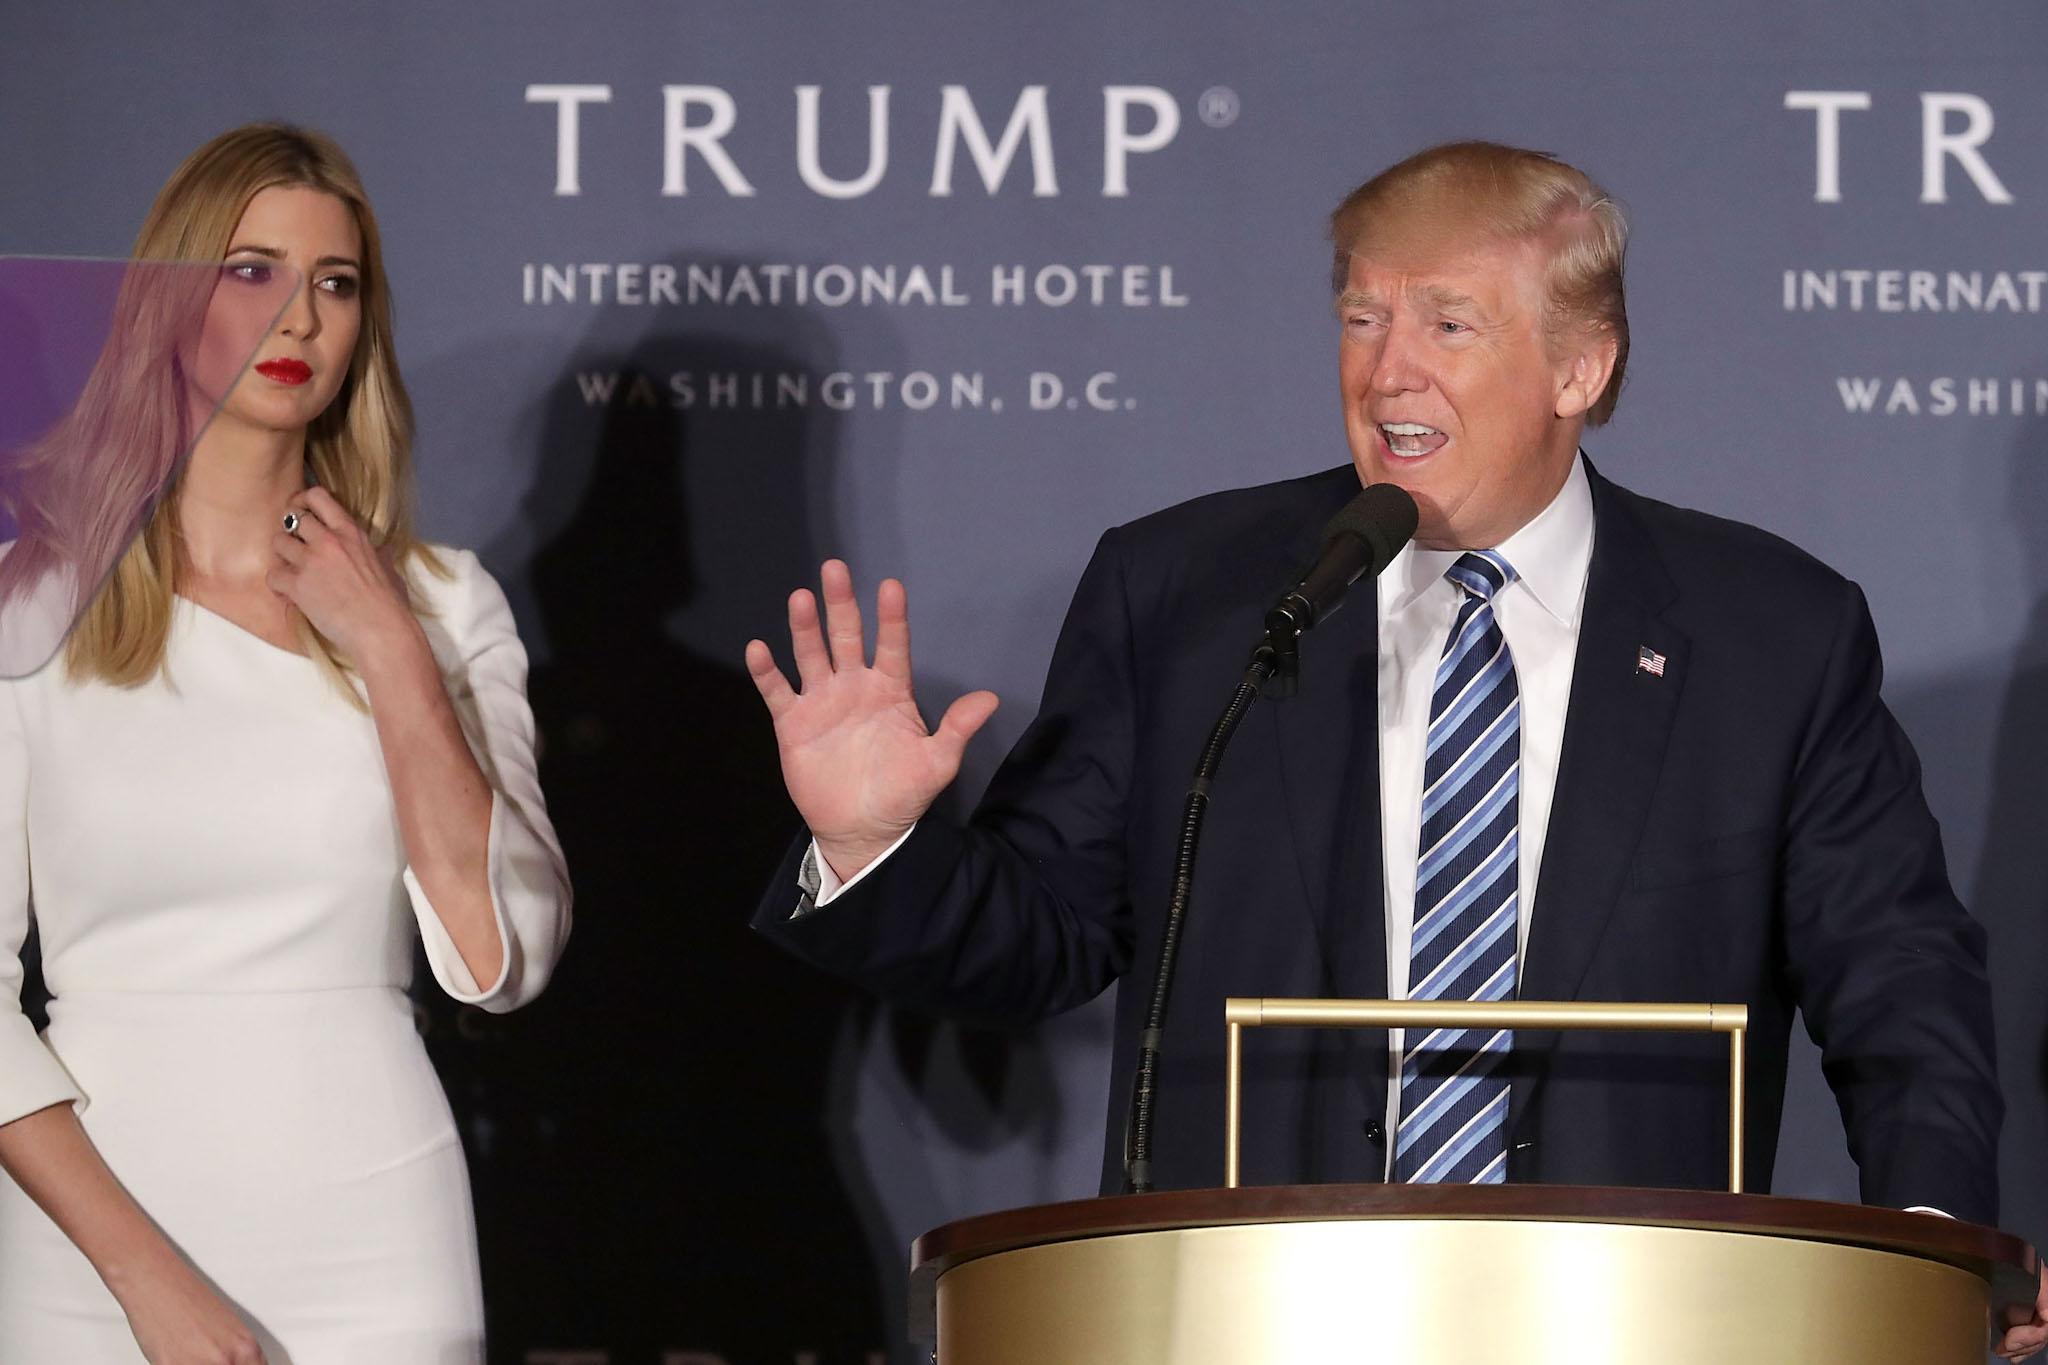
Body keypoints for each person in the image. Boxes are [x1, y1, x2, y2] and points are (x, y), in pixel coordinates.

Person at [746, 141, 2046, 1357]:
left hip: (1633, 1322)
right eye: (1363, 319)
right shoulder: (1188, 596)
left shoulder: (1771, 633)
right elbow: (1047, 933)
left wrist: (1932, 1255)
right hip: (1243, 1322)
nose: (1387, 372)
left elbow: (1903, 985)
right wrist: (874, 846)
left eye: (1447, 323)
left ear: (1580, 368)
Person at [0, 123, 571, 1362]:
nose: (299, 319)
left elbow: (501, 957)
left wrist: (391, 648)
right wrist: (146, 1280)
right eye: (251, 271)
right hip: (94, 1236)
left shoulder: (446, 602)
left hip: (380, 1226)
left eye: (335, 283)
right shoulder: (29, 601)